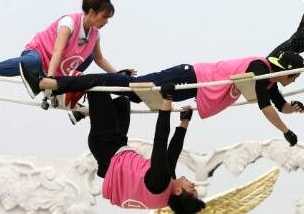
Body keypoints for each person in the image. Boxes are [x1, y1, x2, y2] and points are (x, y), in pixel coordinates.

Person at [20, 51, 304, 146]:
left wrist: (292, 109)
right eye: (294, 77)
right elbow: (265, 105)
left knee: (129, 93)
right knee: (126, 86)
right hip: (187, 77)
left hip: (187, 87)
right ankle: (52, 83)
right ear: (286, 70)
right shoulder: (260, 70)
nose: (293, 81)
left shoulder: (269, 79)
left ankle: (78, 102)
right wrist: (286, 132)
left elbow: (278, 104)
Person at [0, 0, 134, 109]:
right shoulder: (68, 23)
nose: (106, 22)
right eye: (104, 17)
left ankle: (65, 89)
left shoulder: (95, 34)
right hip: (40, 53)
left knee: (90, 55)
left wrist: (118, 75)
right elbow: (58, 51)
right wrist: (50, 80)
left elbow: (99, 59)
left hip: (61, 65)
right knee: (32, 62)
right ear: (92, 12)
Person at [71, 79, 205, 212]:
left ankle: (67, 91)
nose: (193, 184)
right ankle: (89, 111)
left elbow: (161, 139)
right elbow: (173, 152)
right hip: (116, 148)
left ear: (178, 191)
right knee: (122, 103)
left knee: (96, 85)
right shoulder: (164, 192)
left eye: (192, 189)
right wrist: (185, 121)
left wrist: (167, 98)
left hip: (106, 145)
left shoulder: (160, 181)